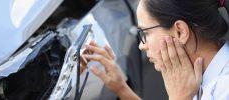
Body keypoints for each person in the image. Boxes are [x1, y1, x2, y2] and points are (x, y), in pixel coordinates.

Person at [82, 0, 229, 99]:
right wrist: (121, 88)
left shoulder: (224, 89)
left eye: (145, 33)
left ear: (180, 32)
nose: (141, 45)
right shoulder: (199, 77)